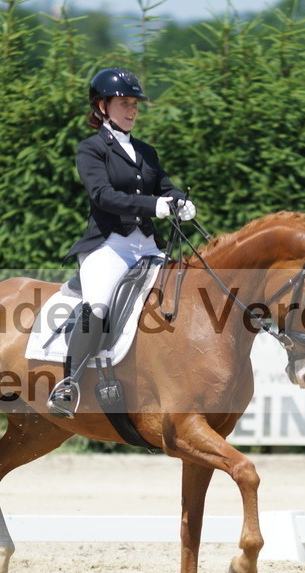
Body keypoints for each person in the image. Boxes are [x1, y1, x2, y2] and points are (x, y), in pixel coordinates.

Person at [47, 67, 196, 418]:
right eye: (124, 103)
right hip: (109, 246)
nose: (131, 110)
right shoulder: (91, 149)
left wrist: (179, 201)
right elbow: (103, 196)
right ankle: (68, 384)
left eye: (134, 104)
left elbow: (165, 186)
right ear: (101, 106)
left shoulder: (145, 150)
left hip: (147, 246)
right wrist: (154, 205)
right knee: (98, 307)